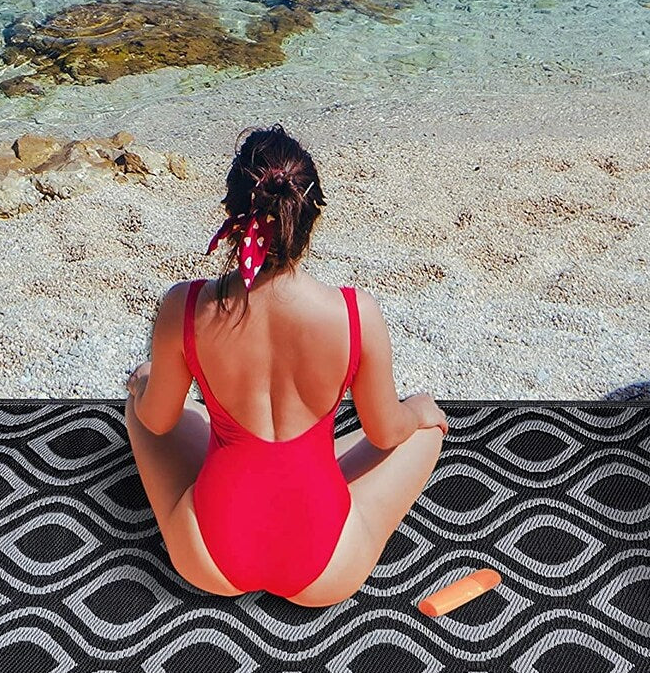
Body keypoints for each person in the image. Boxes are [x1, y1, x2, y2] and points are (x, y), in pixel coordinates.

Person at [125, 124, 448, 606]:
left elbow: (157, 421)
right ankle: (314, 458)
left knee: (147, 400)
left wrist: (143, 383)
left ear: (232, 214)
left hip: (209, 557)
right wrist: (418, 409)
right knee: (424, 430)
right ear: (311, 215)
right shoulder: (355, 314)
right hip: (326, 565)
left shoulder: (186, 306)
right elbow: (385, 433)